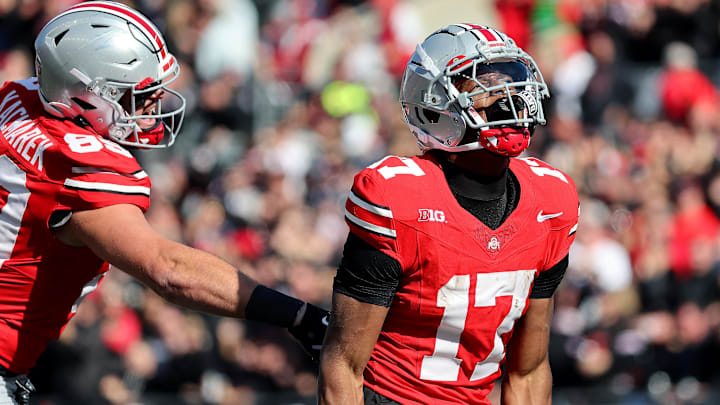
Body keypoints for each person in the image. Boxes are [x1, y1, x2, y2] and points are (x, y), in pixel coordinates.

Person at [0, 2, 327, 404]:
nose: (155, 106)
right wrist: (297, 316)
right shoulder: (79, 167)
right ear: (87, 94)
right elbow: (168, 269)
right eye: (142, 94)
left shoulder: (20, 98)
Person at [318, 24, 579, 405]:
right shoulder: (398, 197)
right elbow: (343, 365)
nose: (508, 98)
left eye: (511, 83)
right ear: (433, 106)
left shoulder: (552, 200)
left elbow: (528, 370)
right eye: (484, 86)